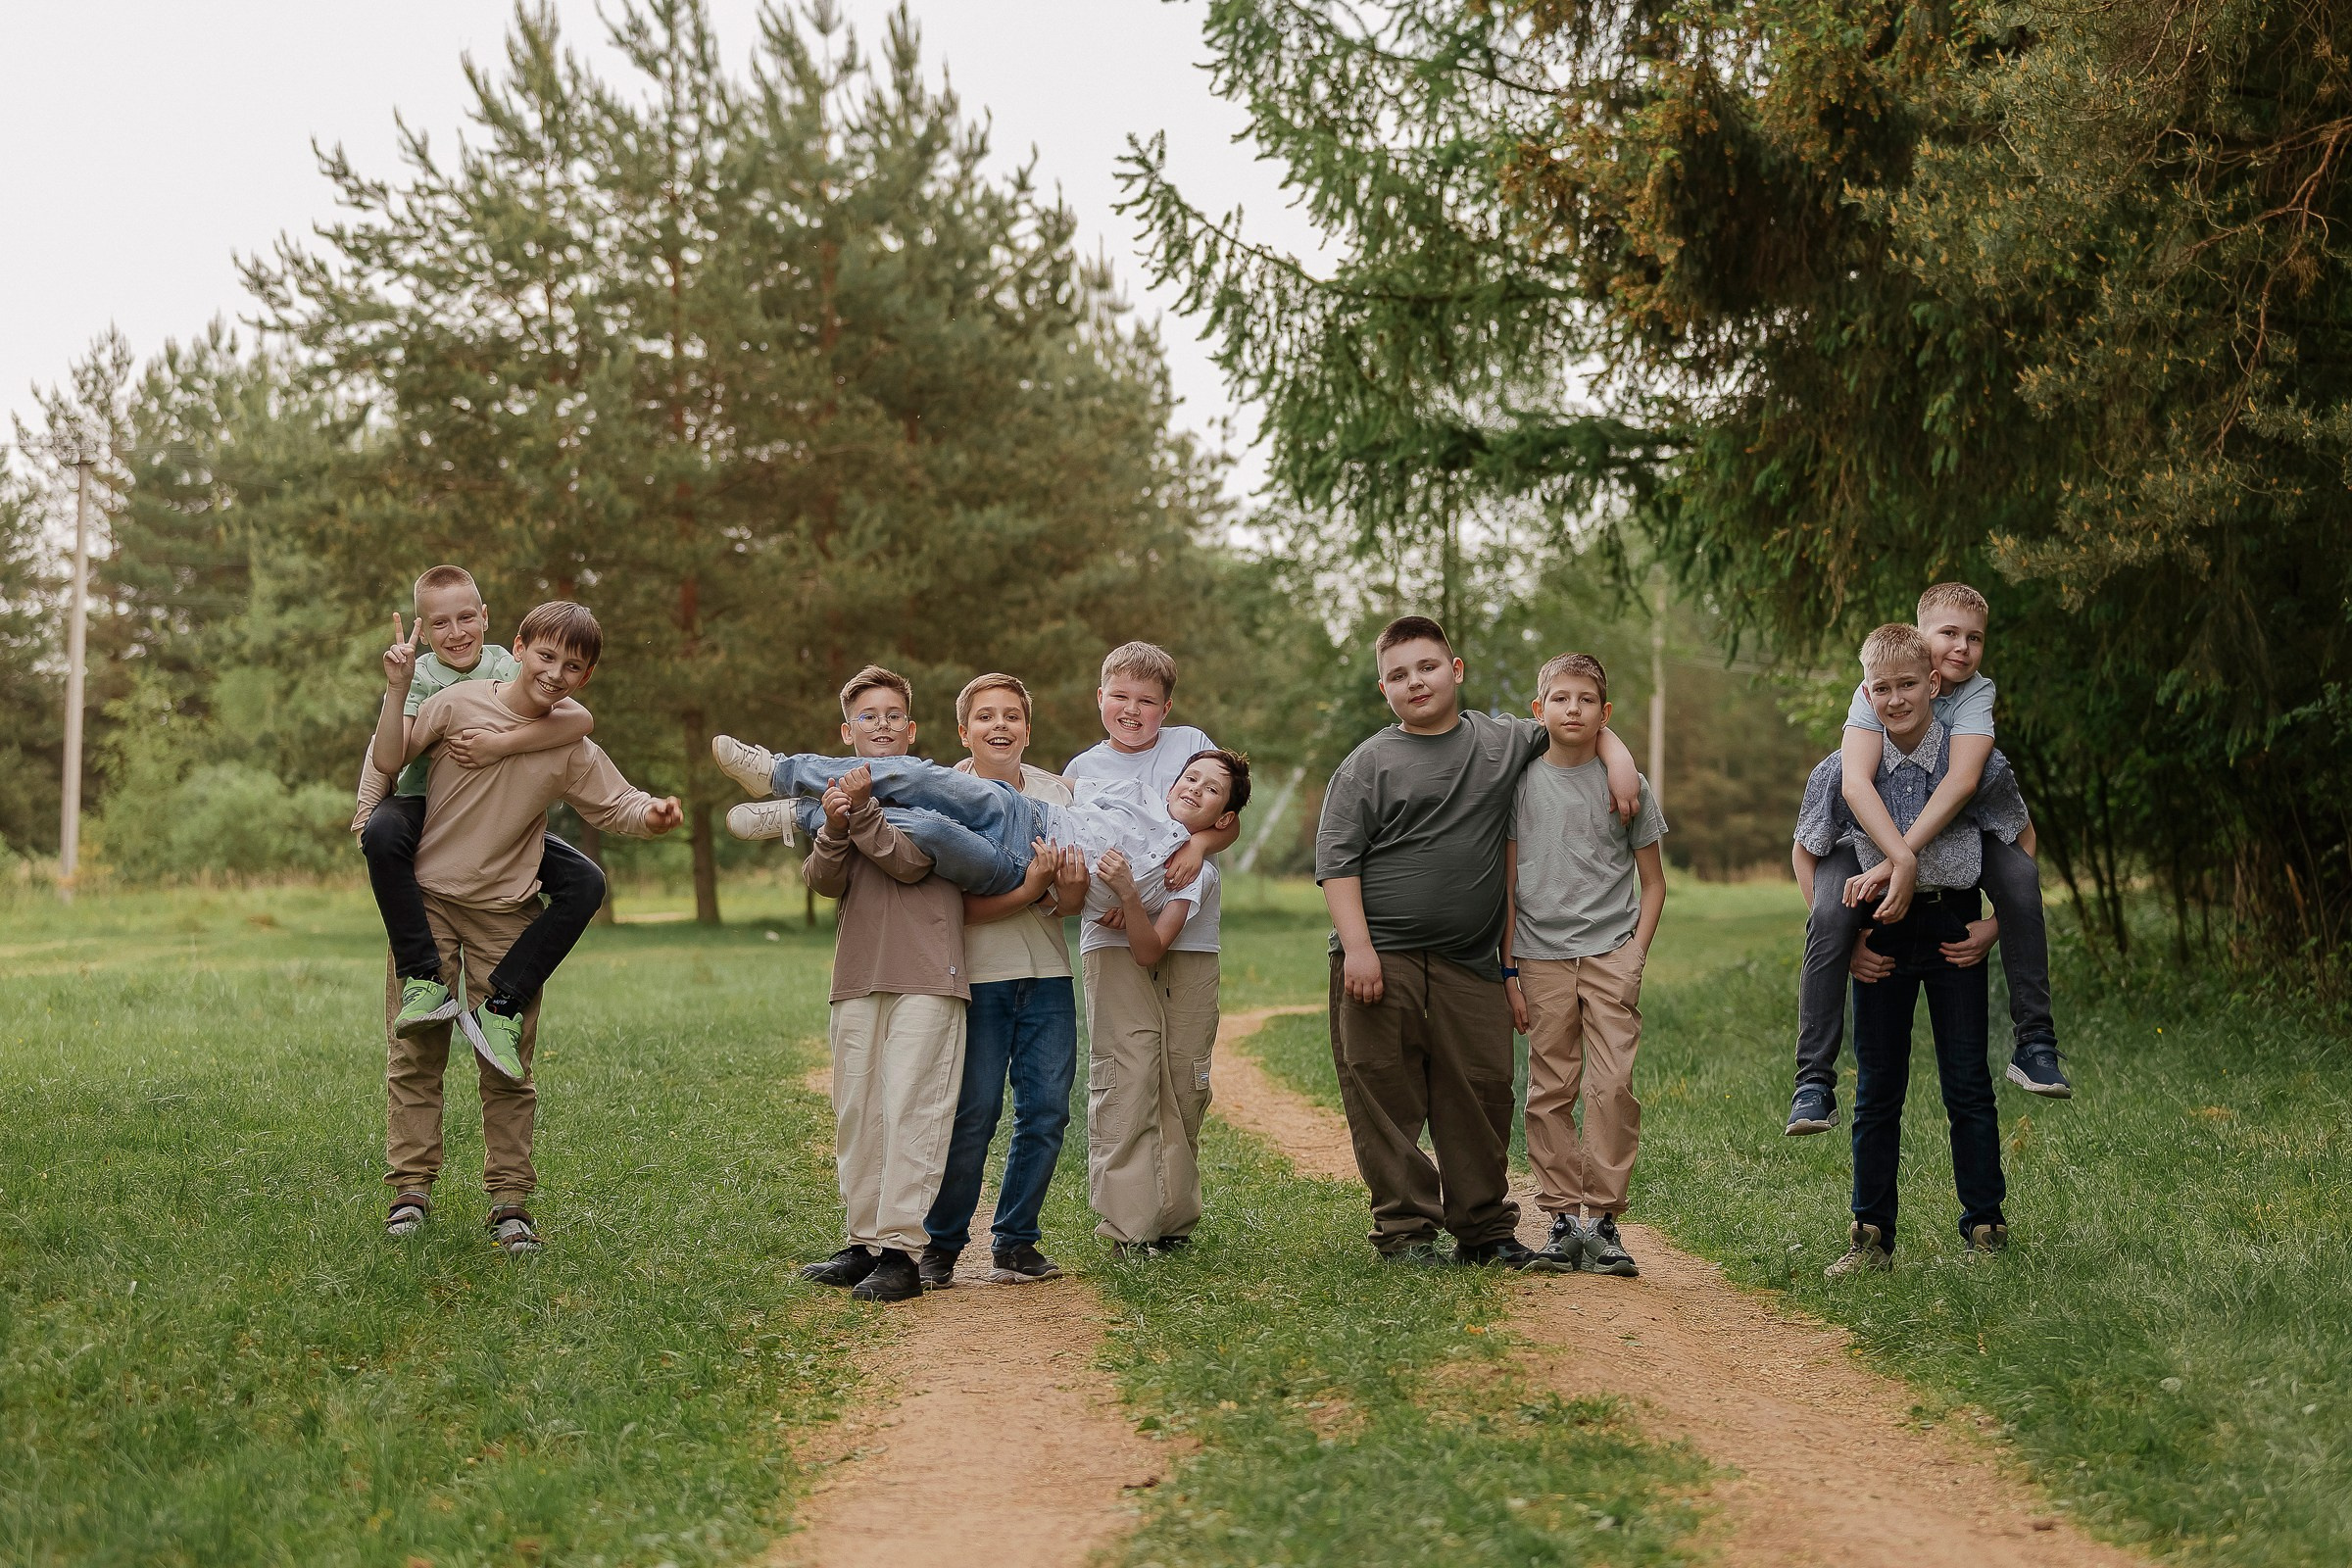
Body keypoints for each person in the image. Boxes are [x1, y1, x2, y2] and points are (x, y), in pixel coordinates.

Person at [1316, 615, 1640, 1267]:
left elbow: (1574, 720)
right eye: (1399, 675)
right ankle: (1406, 1231)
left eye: (1428, 667)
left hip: (1471, 961)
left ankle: (1484, 1230)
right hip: (1382, 957)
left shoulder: (1498, 741)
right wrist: (1359, 949)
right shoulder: (1368, 764)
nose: (1416, 682)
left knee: (1482, 1092)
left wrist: (1620, 762)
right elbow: (1337, 860)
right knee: (1386, 1095)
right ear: (1384, 689)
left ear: (1455, 670)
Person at [373, 601, 682, 1255]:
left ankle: (509, 1203)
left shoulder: (569, 744)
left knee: (507, 1067)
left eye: (572, 667)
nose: (555, 673)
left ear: (586, 677)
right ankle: (410, 1191)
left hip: (506, 911)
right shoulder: (456, 703)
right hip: (428, 901)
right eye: (546, 656)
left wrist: (653, 815)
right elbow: (392, 757)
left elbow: (618, 803)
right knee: (416, 1054)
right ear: (517, 647)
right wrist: (397, 688)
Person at [1786, 582, 2069, 1140]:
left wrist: (1993, 922)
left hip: (1953, 840)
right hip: (1867, 846)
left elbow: (1963, 782)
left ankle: (2036, 1042)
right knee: (1830, 912)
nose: (1961, 647)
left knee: (2019, 872)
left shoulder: (1975, 695)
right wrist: (1893, 870)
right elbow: (1853, 783)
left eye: (1974, 638)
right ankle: (1812, 1081)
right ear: (1920, 638)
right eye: (1948, 634)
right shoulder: (1881, 685)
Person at [1793, 623, 2027, 1275]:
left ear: (1932, 684)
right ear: (1866, 692)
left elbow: (2021, 843)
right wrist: (1847, 944)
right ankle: (1870, 1237)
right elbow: (1805, 856)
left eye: (1907, 686)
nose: (1895, 700)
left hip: (1955, 928)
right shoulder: (1844, 769)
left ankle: (1985, 1227)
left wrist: (1994, 927)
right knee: (1877, 1089)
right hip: (1880, 937)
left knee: (1968, 1083)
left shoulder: (1973, 763)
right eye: (1881, 689)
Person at [751, 667, 971, 1304]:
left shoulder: (936, 791)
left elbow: (910, 863)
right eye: (868, 716)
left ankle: (902, 1253)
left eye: (893, 714)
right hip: (857, 974)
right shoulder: (840, 802)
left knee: (911, 1110)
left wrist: (864, 811)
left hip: (927, 972)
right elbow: (823, 881)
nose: (882, 725)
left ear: (912, 728)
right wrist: (835, 826)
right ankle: (863, 1242)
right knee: (859, 1112)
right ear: (847, 733)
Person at [353, 564, 610, 1049]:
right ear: (423, 629)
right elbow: (387, 758)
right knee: (381, 835)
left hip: (493, 817)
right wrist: (397, 686)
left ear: (485, 617)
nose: (456, 632)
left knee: (585, 881)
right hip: (422, 805)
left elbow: (580, 720)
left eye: (466, 618)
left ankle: (503, 1000)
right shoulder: (418, 675)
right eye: (440, 623)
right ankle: (423, 975)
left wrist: (501, 745)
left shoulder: (508, 665)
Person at [918, 674, 1090, 1290]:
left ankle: (1015, 1242)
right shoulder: (944, 797)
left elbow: (1070, 902)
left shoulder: (1056, 794)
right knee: (974, 1113)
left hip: (1048, 976)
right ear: (963, 732)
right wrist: (1030, 888)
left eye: (1012, 716)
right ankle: (940, 1245)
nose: (1000, 725)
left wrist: (1061, 889)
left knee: (1045, 1112)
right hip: (978, 979)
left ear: (1027, 729)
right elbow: (952, 908)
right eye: (986, 716)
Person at [1501, 654, 1668, 1277]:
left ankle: (1602, 1219)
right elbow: (1508, 886)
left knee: (1613, 1084)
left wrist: (1635, 955)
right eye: (1561, 698)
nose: (1573, 709)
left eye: (1587, 700)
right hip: (1539, 956)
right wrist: (1509, 971)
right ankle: (1561, 1219)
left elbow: (1654, 882)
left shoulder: (1627, 785)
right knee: (1550, 1087)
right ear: (1538, 709)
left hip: (1610, 954)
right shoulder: (1519, 784)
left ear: (1605, 713)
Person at [1085, 749, 1249, 1253]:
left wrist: (1132, 899)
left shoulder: (1199, 868)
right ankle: (1128, 1227)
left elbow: (1150, 944)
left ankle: (1173, 1220)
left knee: (1183, 1082)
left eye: (1210, 788)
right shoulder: (1099, 776)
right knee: (1126, 1077)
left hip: (1177, 948)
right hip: (1113, 946)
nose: (1195, 788)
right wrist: (1110, 898)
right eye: (1190, 779)